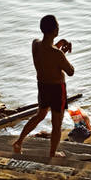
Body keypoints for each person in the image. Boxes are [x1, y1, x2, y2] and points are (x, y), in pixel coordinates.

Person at [12, 15, 74, 157]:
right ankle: (53, 153)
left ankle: (19, 141)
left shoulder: (35, 44)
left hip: (43, 86)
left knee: (40, 115)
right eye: (57, 27)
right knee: (56, 124)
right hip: (57, 89)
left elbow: (49, 54)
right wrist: (62, 54)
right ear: (54, 31)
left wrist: (59, 47)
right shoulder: (57, 54)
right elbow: (70, 71)